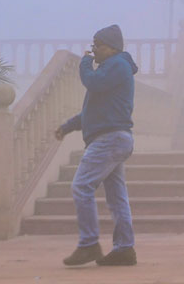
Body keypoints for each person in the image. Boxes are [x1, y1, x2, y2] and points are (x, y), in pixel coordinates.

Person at [55, 24, 138, 267]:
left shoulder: (117, 65)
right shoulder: (111, 70)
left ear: (111, 47)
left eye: (97, 46)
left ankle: (89, 243)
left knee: (82, 186)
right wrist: (68, 127)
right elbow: (91, 112)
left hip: (109, 139)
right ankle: (124, 249)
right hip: (114, 138)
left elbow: (92, 82)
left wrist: (84, 62)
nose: (94, 50)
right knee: (116, 197)